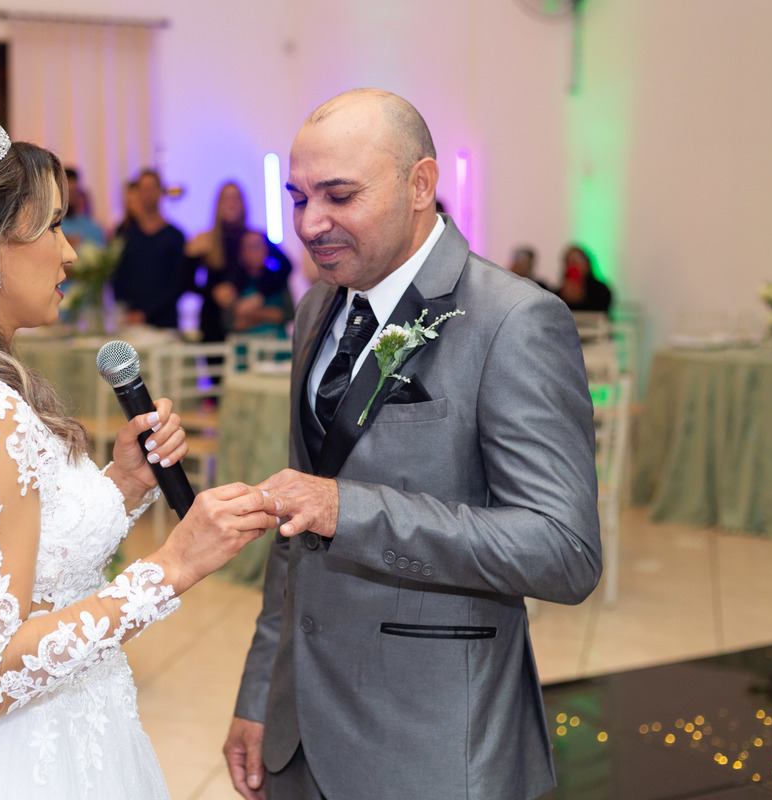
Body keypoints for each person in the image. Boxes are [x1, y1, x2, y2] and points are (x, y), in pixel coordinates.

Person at [0, 118, 276, 799]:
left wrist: (123, 483)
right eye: (53, 227)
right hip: (18, 765)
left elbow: (15, 552)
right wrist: (172, 566)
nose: (70, 253)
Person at [223, 89, 602, 799]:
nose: (309, 223)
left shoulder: (513, 320)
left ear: (421, 184)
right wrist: (260, 693)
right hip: (299, 728)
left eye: (339, 195)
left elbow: (563, 551)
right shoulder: (317, 306)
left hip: (432, 739)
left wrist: (351, 511)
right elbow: (296, 527)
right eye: (298, 198)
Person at [186, 182, 292, 343]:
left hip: (247, 320)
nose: (231, 203)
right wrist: (213, 291)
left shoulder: (252, 238)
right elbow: (185, 282)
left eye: (236, 198)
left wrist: (259, 296)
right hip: (214, 320)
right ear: (218, 204)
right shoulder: (206, 240)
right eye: (226, 198)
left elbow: (286, 266)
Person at [110, 169, 187, 328]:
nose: (147, 194)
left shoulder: (175, 236)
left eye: (151, 188)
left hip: (165, 323)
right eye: (143, 189)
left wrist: (146, 313)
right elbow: (117, 275)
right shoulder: (124, 233)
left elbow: (178, 283)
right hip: (130, 322)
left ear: (160, 191)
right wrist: (125, 309)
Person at [212, 230, 294, 339]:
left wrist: (251, 313)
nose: (255, 251)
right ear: (241, 251)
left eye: (259, 245)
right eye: (250, 246)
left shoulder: (278, 279)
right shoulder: (233, 283)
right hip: (244, 344)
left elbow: (289, 314)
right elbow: (231, 322)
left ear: (267, 249)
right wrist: (270, 314)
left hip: (276, 343)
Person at [557, 243, 612, 315]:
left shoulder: (601, 291)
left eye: (577, 261)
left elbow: (600, 312)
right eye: (569, 262)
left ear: (587, 264)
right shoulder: (558, 295)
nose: (573, 266)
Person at [59, 166, 105, 248]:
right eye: (66, 193)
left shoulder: (93, 228)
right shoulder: (50, 228)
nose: (69, 198)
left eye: (72, 192)